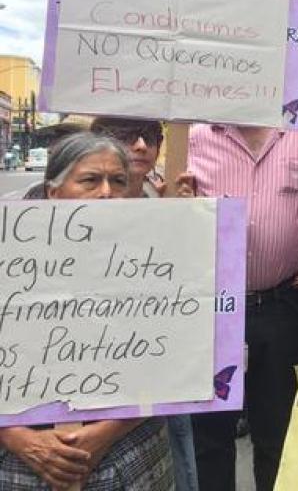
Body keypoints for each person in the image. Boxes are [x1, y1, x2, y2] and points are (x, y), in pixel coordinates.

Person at [0, 132, 174, 490]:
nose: (107, 193)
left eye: (118, 181)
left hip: (132, 459)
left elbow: (178, 364)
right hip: (23, 465)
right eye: (90, 181)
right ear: (53, 192)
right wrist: (19, 439)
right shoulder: (10, 260)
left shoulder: (160, 263)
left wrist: (103, 435)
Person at [176, 117, 298, 491]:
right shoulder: (195, 138)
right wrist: (179, 202)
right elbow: (172, 215)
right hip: (214, 311)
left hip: (281, 307)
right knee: (210, 434)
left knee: (278, 430)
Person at [90, 117, 198, 491]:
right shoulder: (48, 210)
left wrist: (189, 220)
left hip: (151, 391)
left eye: (150, 137)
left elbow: (190, 291)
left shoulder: (167, 200)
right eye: (127, 135)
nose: (140, 146)